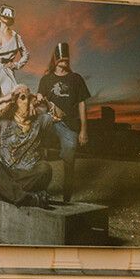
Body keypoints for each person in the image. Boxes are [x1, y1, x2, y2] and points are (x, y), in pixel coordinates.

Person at [0, 88, 57, 209]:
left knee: (45, 168)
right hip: (6, 172)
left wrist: (45, 101)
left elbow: (60, 116)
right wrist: (3, 99)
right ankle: (25, 198)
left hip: (29, 175)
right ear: (14, 103)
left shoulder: (40, 120)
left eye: (29, 97)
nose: (28, 100)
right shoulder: (3, 122)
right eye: (22, 97)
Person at [37, 42, 93, 199]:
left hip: (69, 124)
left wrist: (83, 130)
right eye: (61, 60)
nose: (64, 62)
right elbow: (39, 103)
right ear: (55, 60)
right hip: (50, 119)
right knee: (36, 125)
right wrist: (40, 97)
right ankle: (38, 190)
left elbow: (82, 104)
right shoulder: (46, 80)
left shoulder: (76, 79)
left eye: (66, 60)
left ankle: (67, 198)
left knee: (69, 156)